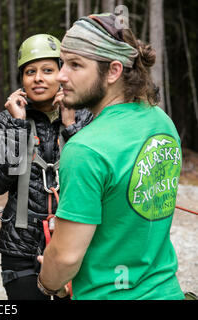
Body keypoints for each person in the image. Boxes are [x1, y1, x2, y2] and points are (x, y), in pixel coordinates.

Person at [37, 13, 185, 300]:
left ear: (114, 71)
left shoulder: (86, 149)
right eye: (63, 62)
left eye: (75, 65)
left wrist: (47, 282)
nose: (60, 75)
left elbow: (66, 258)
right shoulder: (161, 123)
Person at [0, 34, 93, 300]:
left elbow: (92, 173)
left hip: (74, 240)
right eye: (30, 72)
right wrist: (18, 128)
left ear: (62, 74)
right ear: (21, 80)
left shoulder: (85, 117)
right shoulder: (5, 122)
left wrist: (70, 127)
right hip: (21, 247)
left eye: (47, 71)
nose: (38, 78)